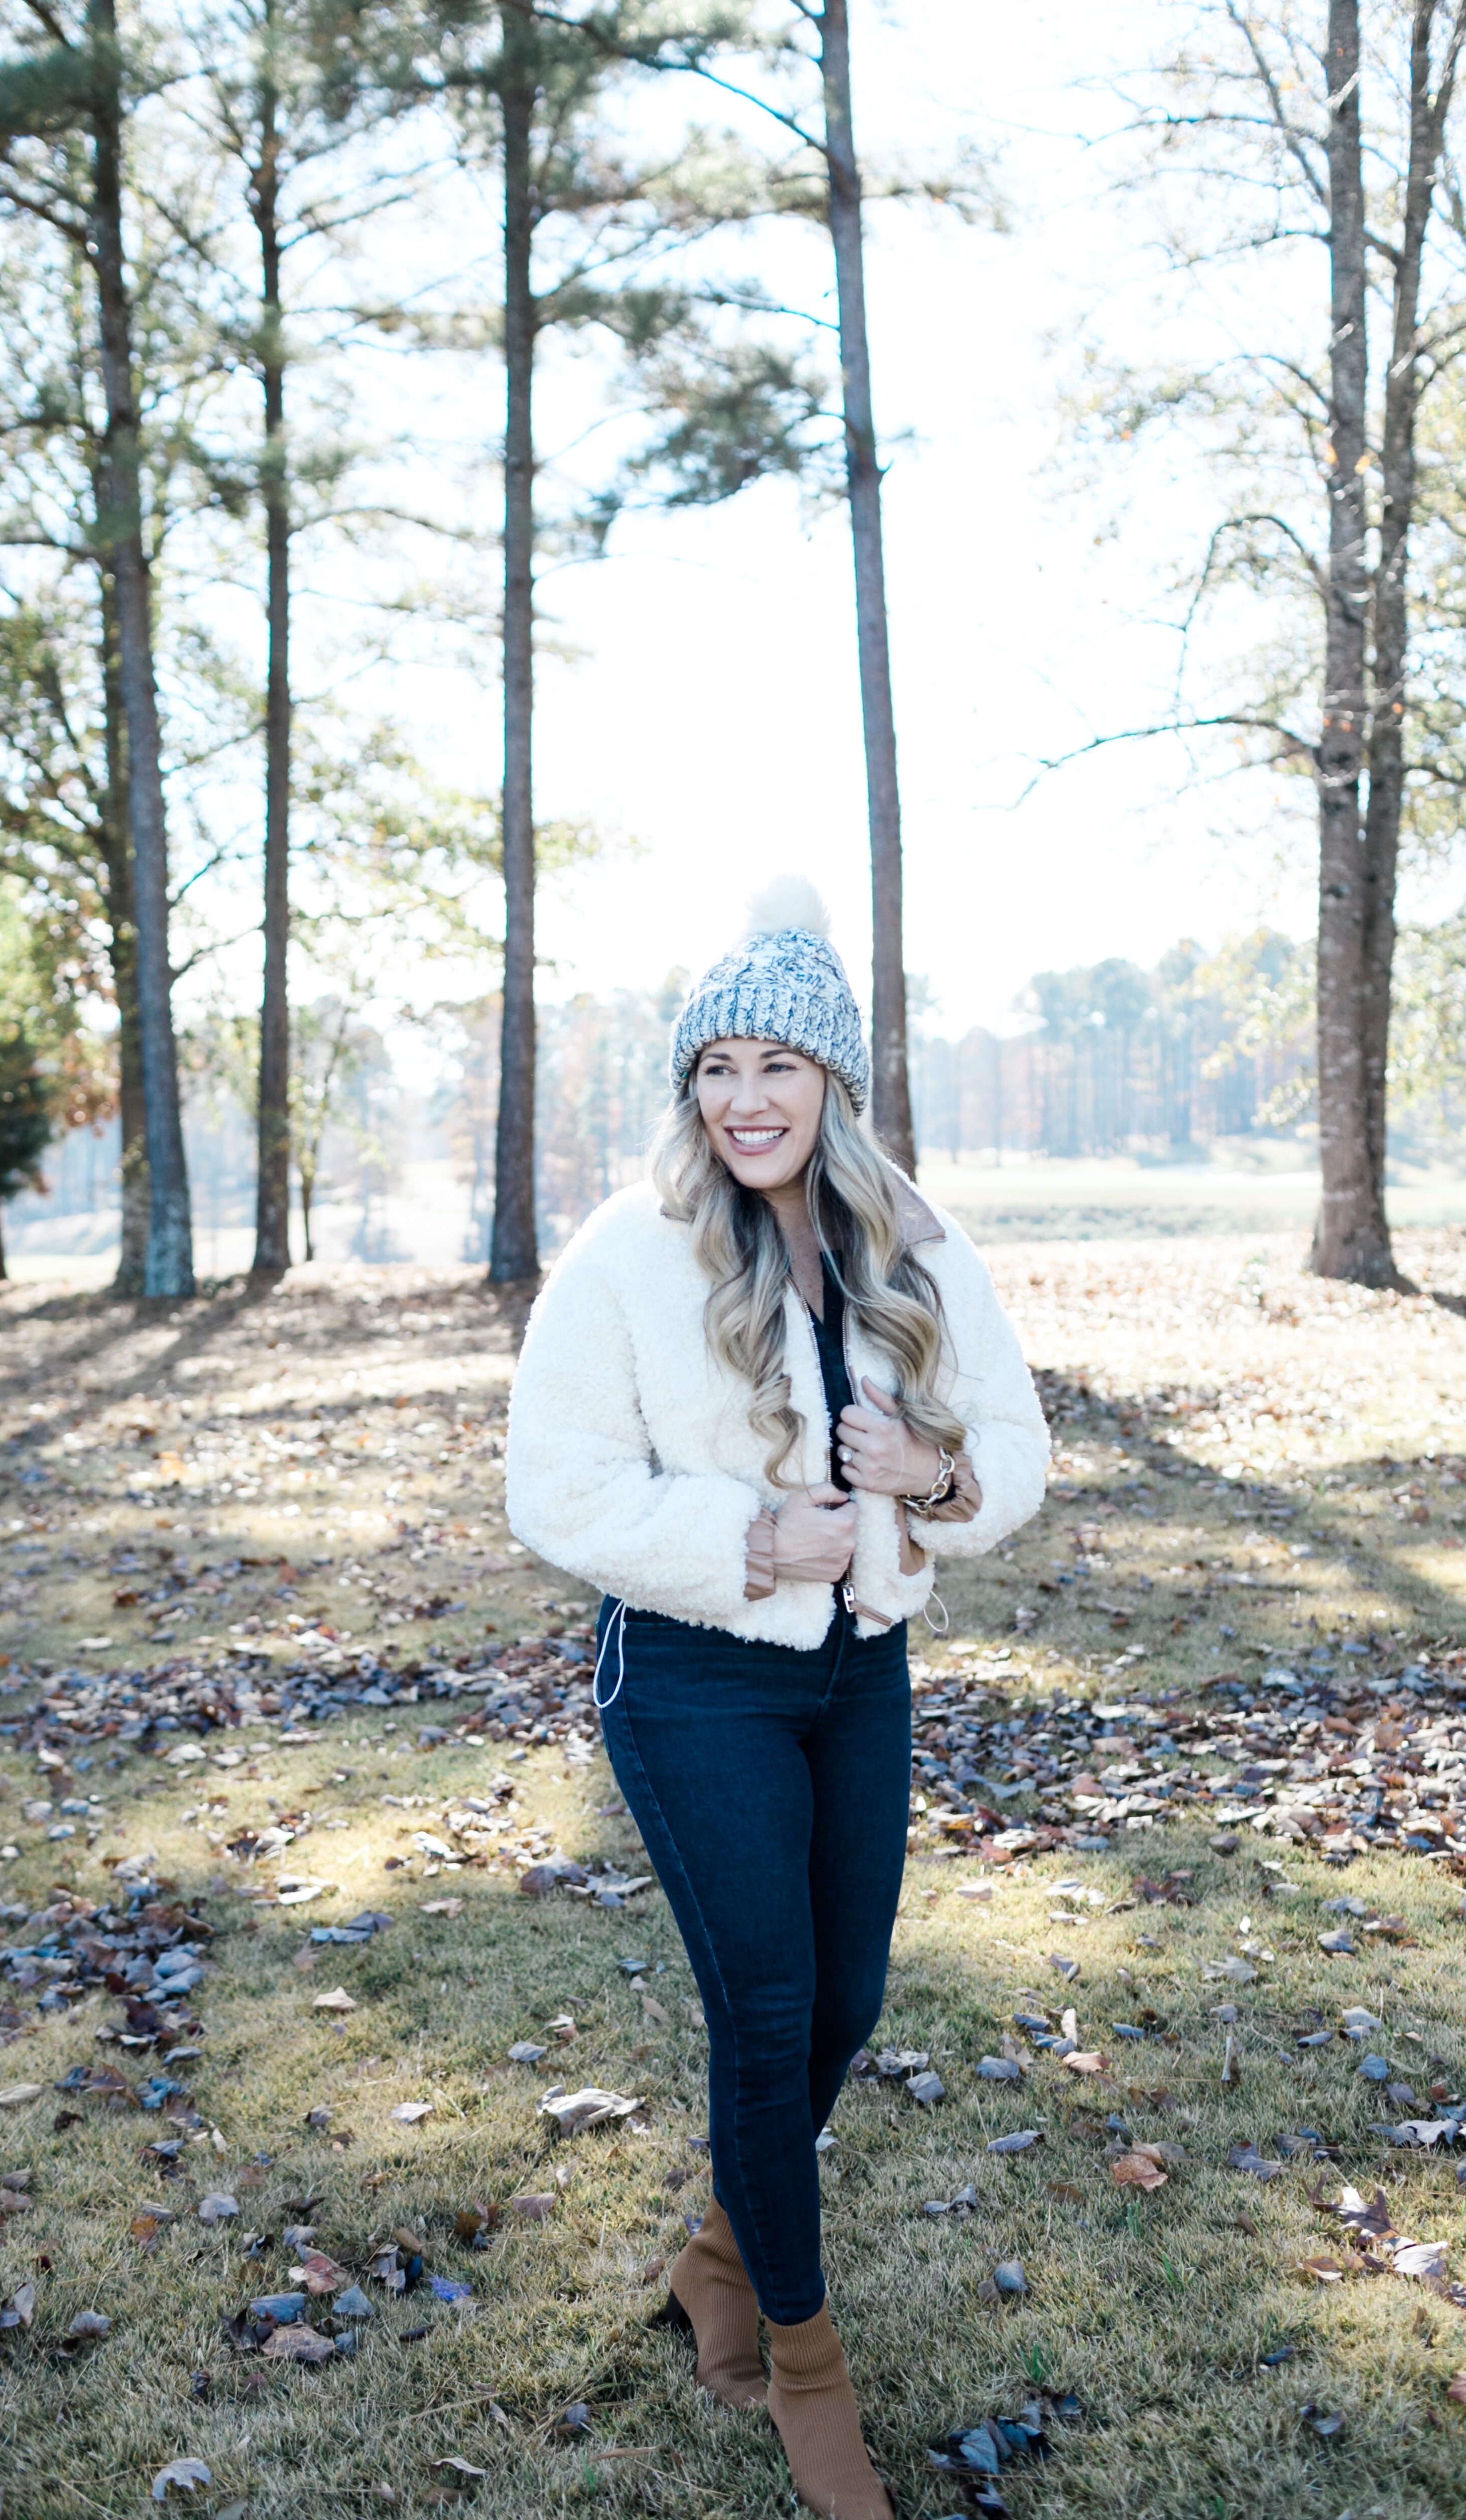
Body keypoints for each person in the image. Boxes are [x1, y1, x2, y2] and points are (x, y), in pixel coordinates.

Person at [506, 882, 1049, 2518]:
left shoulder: (912, 1242)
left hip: (858, 1670)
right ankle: (804, 2376)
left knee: (847, 2005)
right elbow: (556, 1486)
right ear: (693, 1088)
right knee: (764, 2012)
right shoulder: (629, 1251)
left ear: (836, 1086)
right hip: (690, 1676)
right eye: (718, 1067)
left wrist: (934, 1474)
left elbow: (1015, 1447)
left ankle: (712, 2259)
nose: (746, 1099)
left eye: (780, 1067)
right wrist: (745, 1536)